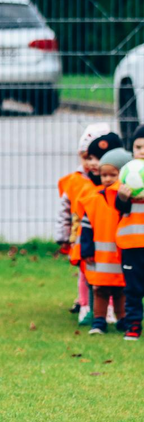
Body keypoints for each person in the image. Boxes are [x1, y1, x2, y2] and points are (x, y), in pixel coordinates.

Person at [71, 132, 123, 326]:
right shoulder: (89, 191)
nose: (94, 163)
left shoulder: (124, 197)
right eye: (90, 158)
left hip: (117, 252)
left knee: (119, 286)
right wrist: (83, 248)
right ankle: (90, 310)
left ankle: (120, 316)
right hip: (94, 251)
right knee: (92, 281)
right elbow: (83, 221)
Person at [57, 123, 109, 316]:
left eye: (97, 157)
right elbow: (65, 211)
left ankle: (108, 307)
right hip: (80, 237)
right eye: (87, 157)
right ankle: (84, 303)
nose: (92, 163)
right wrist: (63, 236)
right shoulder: (75, 181)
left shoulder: (110, 180)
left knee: (107, 272)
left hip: (105, 237)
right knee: (84, 272)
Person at [79, 147, 132, 335]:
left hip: (120, 256)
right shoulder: (94, 199)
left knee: (121, 290)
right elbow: (86, 227)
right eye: (104, 175)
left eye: (113, 175)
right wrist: (86, 250)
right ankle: (99, 321)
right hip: (99, 258)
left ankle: (123, 319)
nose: (107, 179)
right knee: (100, 290)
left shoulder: (126, 200)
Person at [116, 125, 144, 341]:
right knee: (133, 289)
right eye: (138, 147)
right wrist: (123, 198)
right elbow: (119, 208)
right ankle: (133, 324)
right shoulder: (126, 175)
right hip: (131, 244)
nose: (142, 151)